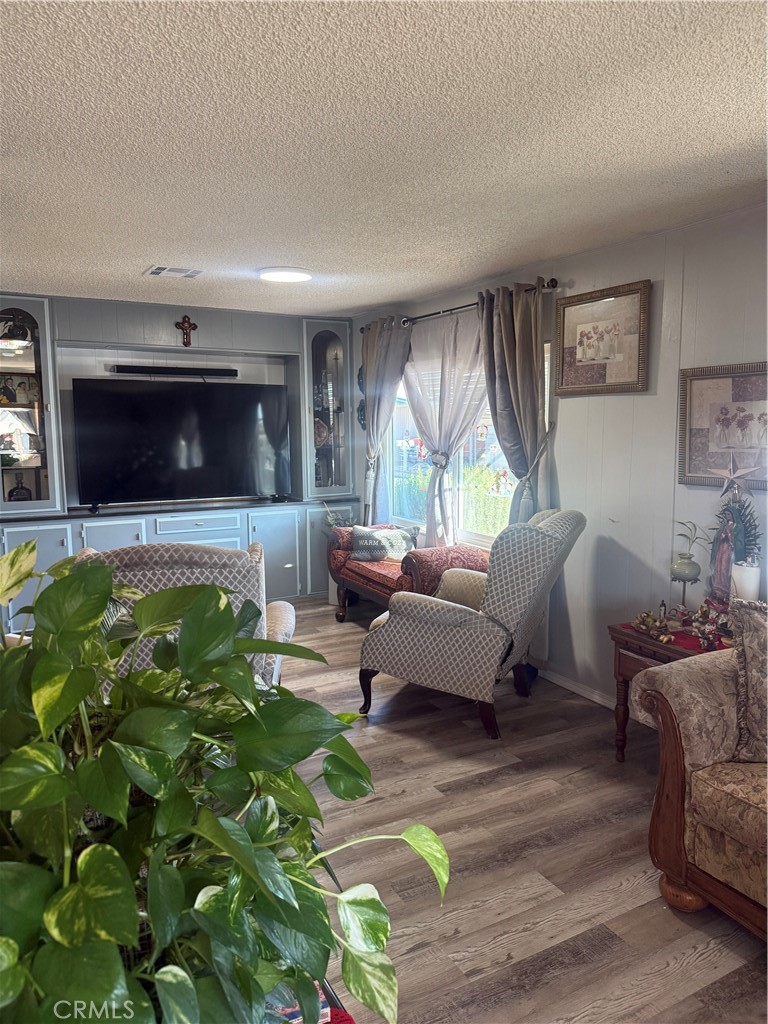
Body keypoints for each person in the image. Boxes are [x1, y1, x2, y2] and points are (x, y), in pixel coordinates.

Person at [708, 508, 736, 609]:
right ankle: (718, 590)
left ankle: (725, 591)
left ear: (733, 515)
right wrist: (722, 535)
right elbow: (718, 537)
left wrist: (728, 534)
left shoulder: (735, 526)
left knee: (724, 568)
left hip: (728, 549)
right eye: (726, 514)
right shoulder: (724, 525)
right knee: (718, 568)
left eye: (729, 514)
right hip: (721, 548)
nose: (727, 516)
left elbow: (735, 540)